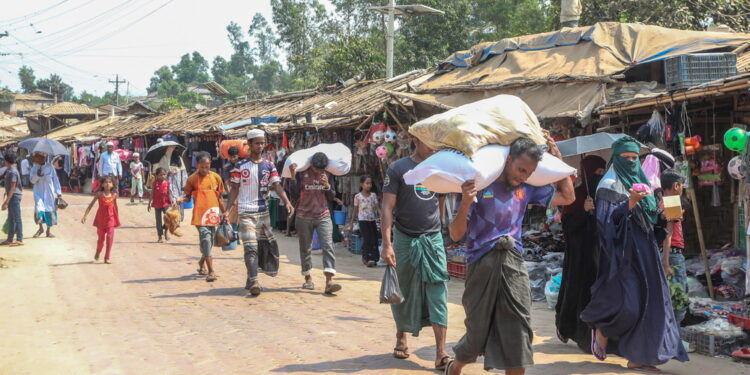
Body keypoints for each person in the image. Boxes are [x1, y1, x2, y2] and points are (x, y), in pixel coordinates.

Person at [446, 135, 575, 375]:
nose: (523, 176)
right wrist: (465, 202)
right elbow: (455, 234)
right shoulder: (480, 183)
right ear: (508, 160)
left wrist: (560, 163)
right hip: (480, 262)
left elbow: (568, 197)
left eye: (529, 172)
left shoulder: (527, 189)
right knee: (477, 333)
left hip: (513, 262)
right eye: (520, 169)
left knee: (518, 331)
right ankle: (456, 366)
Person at [580, 136, 688, 372]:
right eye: (625, 158)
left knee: (652, 304)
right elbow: (606, 224)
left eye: (633, 158)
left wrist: (663, 218)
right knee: (630, 304)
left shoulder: (644, 183)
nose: (630, 162)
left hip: (646, 252)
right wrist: (629, 202)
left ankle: (639, 356)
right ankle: (603, 328)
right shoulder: (608, 185)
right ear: (616, 159)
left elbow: (650, 220)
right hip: (623, 255)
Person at [380, 136, 450, 370]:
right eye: (427, 141)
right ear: (414, 140)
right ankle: (401, 334)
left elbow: (440, 199)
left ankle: (441, 351)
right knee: (404, 287)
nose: (432, 146)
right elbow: (387, 207)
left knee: (438, 289)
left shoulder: (439, 167)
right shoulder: (398, 168)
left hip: (432, 238)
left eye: (435, 141)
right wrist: (387, 244)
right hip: (404, 237)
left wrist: (439, 226)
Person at [228, 129, 294, 296]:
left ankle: (251, 277)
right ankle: (255, 280)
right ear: (249, 144)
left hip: (263, 213)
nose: (260, 146)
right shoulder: (239, 167)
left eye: (262, 143)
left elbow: (277, 185)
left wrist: (287, 201)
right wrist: (227, 210)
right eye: (257, 143)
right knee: (250, 247)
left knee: (263, 246)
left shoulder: (269, 165)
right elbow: (234, 188)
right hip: (245, 212)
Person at [555, 155, 607, 352]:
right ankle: (573, 329)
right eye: (597, 172)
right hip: (578, 255)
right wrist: (583, 211)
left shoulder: (602, 193)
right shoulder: (575, 195)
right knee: (577, 291)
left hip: (596, 253)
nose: (599, 176)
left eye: (602, 173)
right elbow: (567, 224)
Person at [288, 152, 342, 295]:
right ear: (311, 164)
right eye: (317, 169)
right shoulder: (301, 173)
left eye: (321, 169)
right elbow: (293, 194)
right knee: (305, 248)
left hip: (323, 215)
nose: (319, 171)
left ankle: (329, 281)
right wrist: (293, 176)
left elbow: (332, 196)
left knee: (328, 245)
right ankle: (307, 277)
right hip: (303, 215)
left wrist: (327, 186)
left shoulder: (328, 174)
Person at [182, 152, 225, 282]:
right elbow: (187, 197)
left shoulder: (216, 178)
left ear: (210, 164)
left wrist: (225, 213)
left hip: (213, 214)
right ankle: (211, 271)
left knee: (210, 242)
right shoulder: (192, 179)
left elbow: (220, 197)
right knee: (206, 240)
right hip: (199, 215)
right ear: (197, 165)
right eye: (202, 167)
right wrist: (179, 200)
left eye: (207, 166)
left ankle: (201, 263)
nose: (204, 169)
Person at [659, 169, 689, 326]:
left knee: (669, 300)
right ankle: (673, 341)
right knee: (678, 303)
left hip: (668, 255)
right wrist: (666, 263)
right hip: (673, 256)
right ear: (676, 186)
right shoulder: (672, 202)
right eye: (682, 185)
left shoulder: (660, 202)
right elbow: (667, 235)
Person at [81, 176, 121, 264]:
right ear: (102, 184)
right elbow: (91, 205)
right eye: (105, 182)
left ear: (112, 185)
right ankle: (98, 251)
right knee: (101, 240)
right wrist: (85, 216)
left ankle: (107, 257)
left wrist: (116, 218)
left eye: (109, 182)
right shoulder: (99, 194)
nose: (107, 184)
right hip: (101, 221)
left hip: (110, 220)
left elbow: (115, 206)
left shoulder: (114, 195)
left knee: (110, 238)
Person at [348, 175, 380, 267]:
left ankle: (374, 258)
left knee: (374, 239)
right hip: (363, 221)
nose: (369, 185)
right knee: (367, 239)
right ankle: (366, 258)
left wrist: (382, 217)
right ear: (361, 184)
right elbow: (355, 210)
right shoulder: (358, 197)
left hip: (372, 220)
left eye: (370, 183)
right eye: (367, 183)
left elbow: (377, 208)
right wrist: (351, 222)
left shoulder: (373, 195)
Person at [30, 152, 61, 238]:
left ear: (42, 158)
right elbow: (32, 181)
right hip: (38, 193)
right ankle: (40, 228)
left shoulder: (50, 167)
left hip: (49, 193)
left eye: (37, 157)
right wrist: (38, 175)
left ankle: (48, 231)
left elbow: (55, 180)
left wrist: (58, 192)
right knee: (39, 210)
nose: (36, 159)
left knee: (49, 210)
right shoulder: (34, 168)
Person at [2, 152, 23, 246]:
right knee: (11, 218)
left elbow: (13, 188)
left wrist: (6, 202)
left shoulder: (13, 172)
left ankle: (20, 239)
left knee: (17, 218)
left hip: (14, 197)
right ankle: (10, 239)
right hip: (12, 197)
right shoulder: (10, 170)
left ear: (6, 161)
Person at [148, 168, 172, 243]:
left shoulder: (167, 183)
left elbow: (169, 193)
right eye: (160, 175)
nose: (162, 176)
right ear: (157, 175)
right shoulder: (155, 183)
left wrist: (171, 202)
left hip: (166, 203)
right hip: (157, 204)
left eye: (164, 174)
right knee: (158, 221)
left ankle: (166, 231)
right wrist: (149, 203)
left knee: (168, 219)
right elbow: (152, 193)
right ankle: (160, 236)